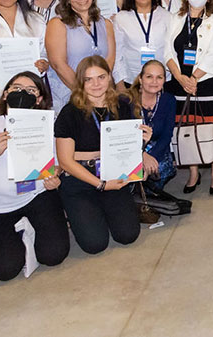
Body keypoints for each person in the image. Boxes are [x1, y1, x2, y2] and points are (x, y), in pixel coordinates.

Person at [0, 72, 69, 281]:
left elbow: (56, 163)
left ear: (39, 98)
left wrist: (55, 176)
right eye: (16, 88)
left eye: (31, 90)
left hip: (35, 195)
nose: (22, 93)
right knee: (4, 271)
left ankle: (30, 226)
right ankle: (16, 233)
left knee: (54, 256)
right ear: (5, 94)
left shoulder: (47, 123)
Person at [54, 56, 153, 254]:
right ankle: (80, 212)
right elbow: (65, 161)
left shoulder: (123, 105)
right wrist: (100, 184)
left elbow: (126, 148)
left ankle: (99, 212)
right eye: (89, 79)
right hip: (80, 181)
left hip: (113, 176)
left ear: (109, 77)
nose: (96, 84)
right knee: (95, 244)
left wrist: (142, 142)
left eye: (101, 77)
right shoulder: (69, 112)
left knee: (128, 235)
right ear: (81, 82)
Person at [163, 0, 213, 195]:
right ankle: (193, 172)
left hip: (207, 83)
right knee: (187, 128)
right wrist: (180, 77)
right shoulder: (175, 18)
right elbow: (167, 52)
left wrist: (194, 79)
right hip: (179, 83)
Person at [46, 0, 116, 114]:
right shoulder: (57, 24)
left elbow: (110, 59)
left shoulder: (105, 23)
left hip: (101, 95)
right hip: (70, 94)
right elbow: (58, 64)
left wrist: (100, 89)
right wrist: (83, 93)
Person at [113, 0, 175, 87]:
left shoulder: (167, 17)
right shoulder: (121, 18)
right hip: (131, 79)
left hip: (162, 80)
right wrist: (119, 84)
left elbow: (171, 50)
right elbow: (117, 54)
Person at [129, 60, 178, 194]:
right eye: (149, 77)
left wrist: (152, 156)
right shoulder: (127, 100)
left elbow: (167, 135)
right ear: (140, 79)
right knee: (132, 171)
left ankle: (149, 198)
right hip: (130, 149)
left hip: (157, 148)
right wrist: (142, 155)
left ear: (164, 80)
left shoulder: (169, 100)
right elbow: (122, 136)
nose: (154, 81)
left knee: (159, 167)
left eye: (159, 77)